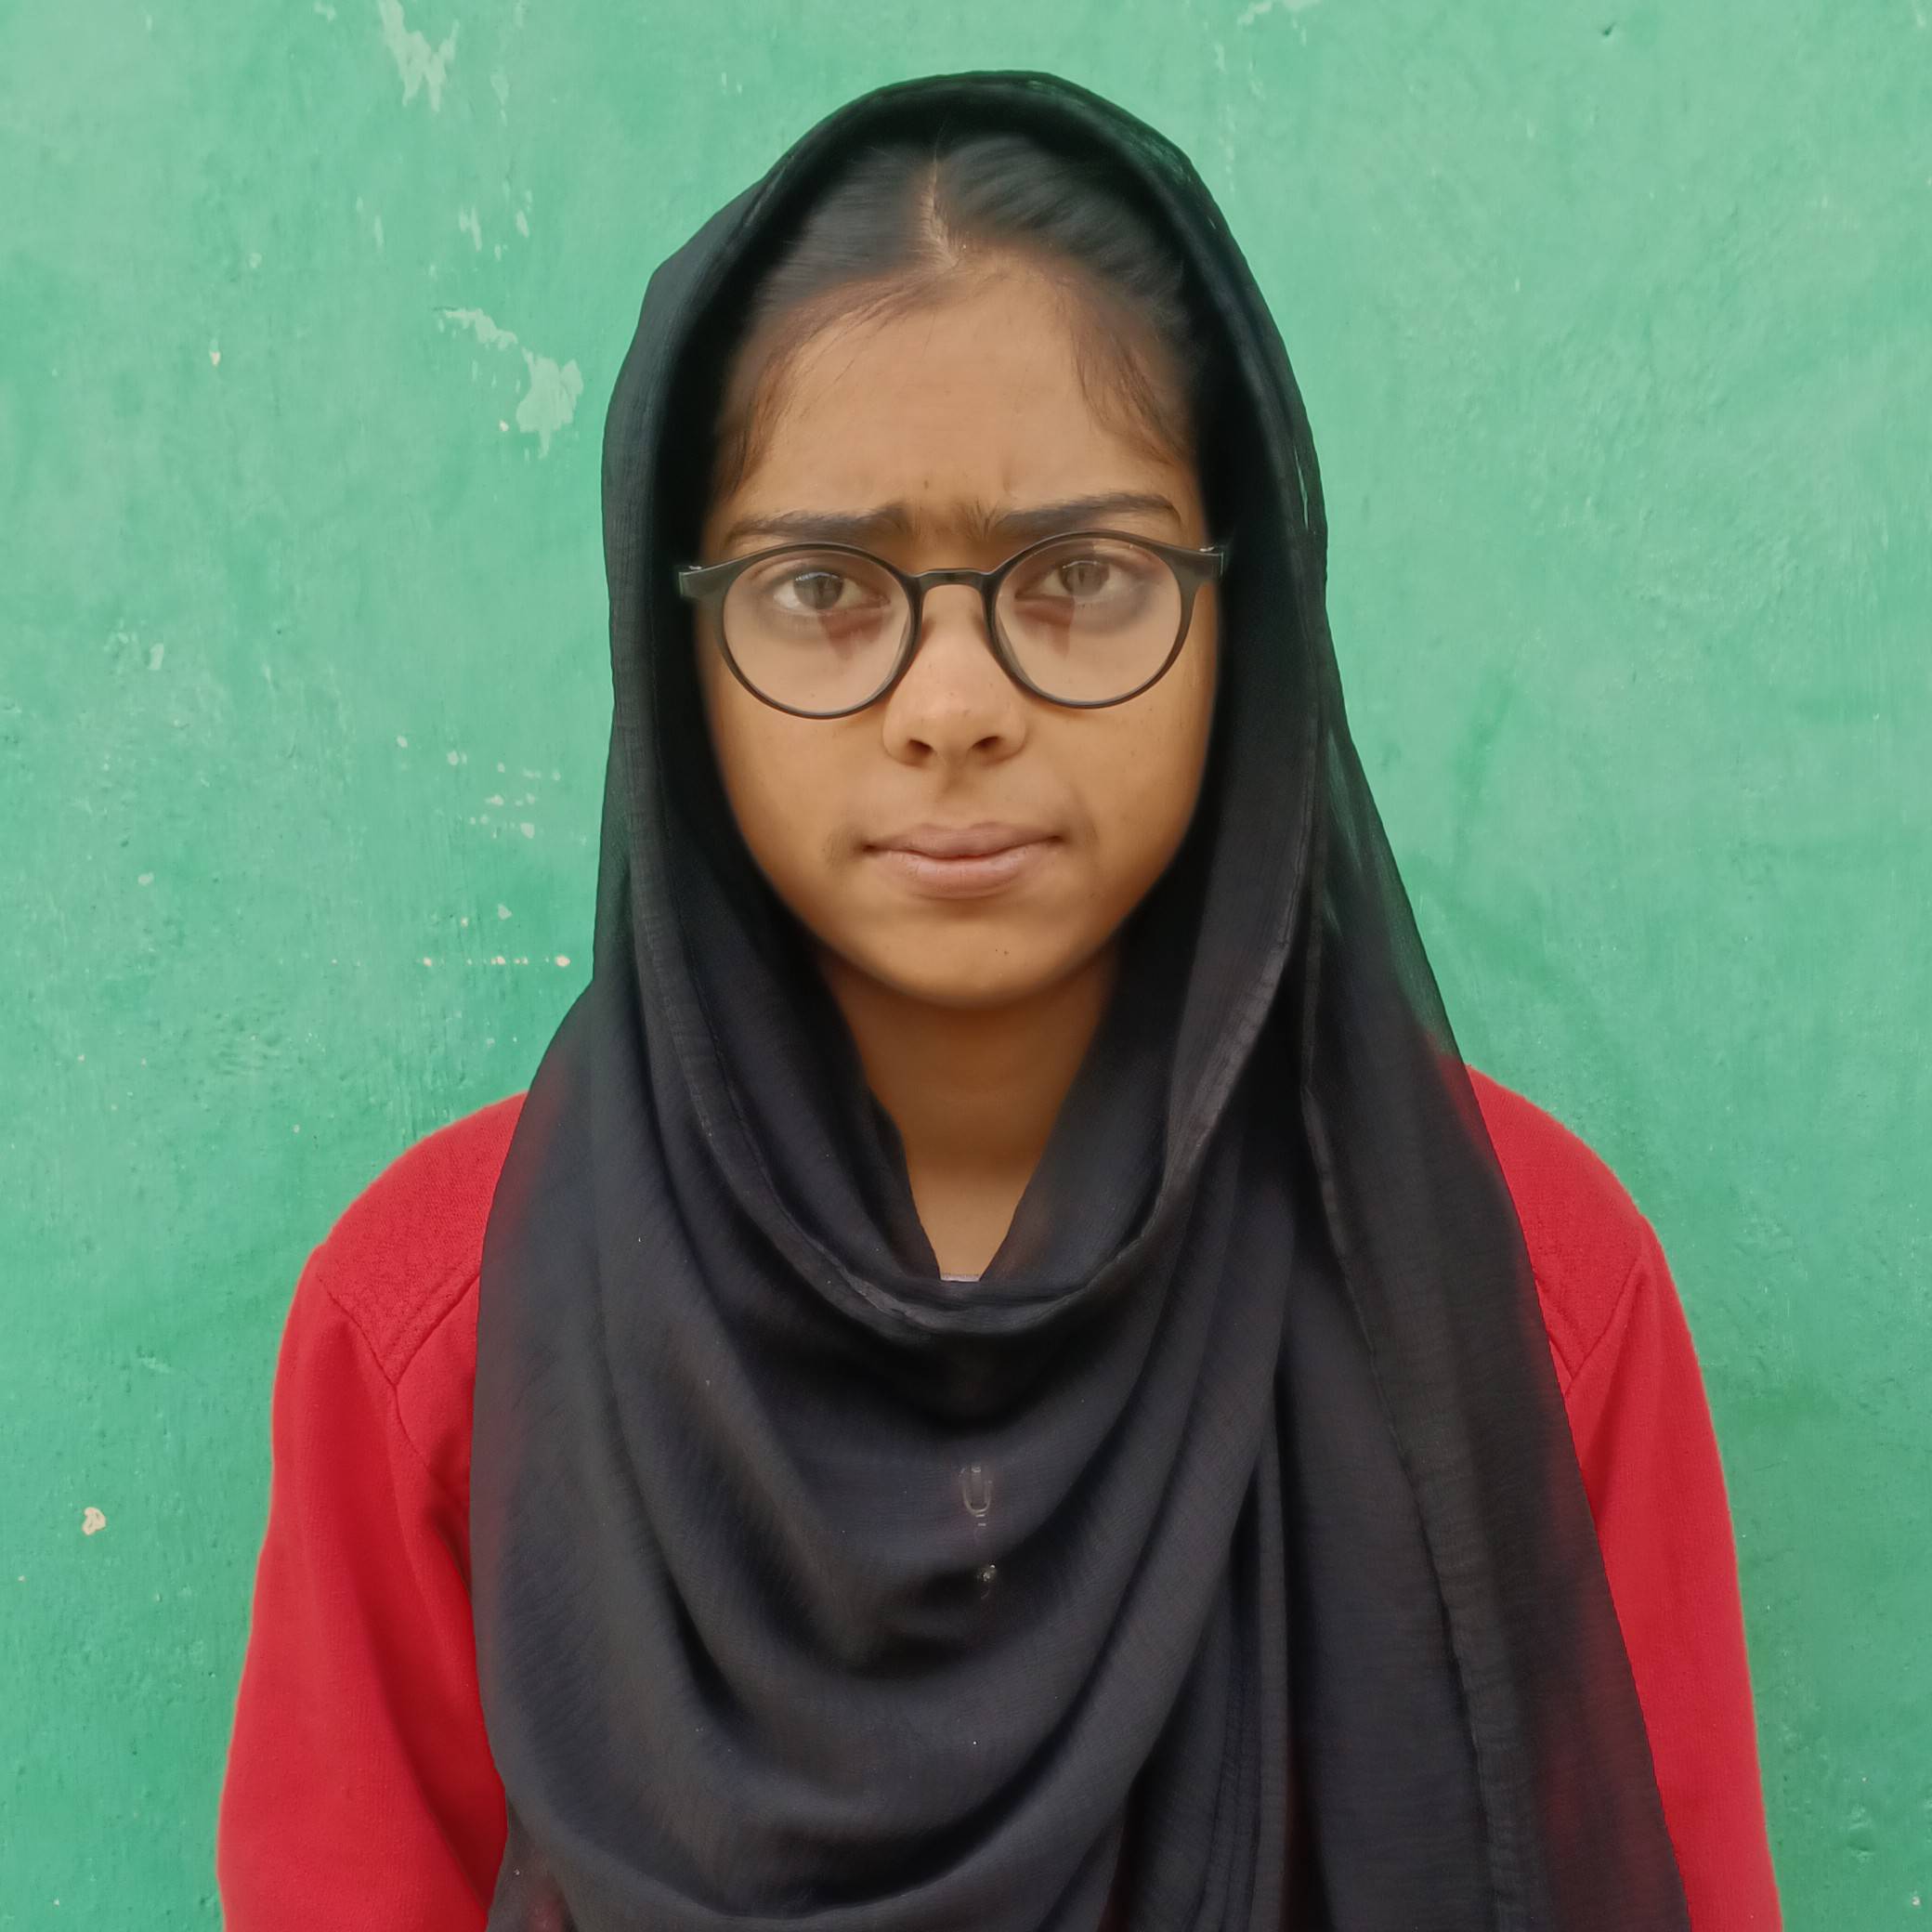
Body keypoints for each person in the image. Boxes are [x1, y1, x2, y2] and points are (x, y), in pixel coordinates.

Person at [216, 69, 1781, 1931]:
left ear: (1240, 617)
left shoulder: (1513, 1288)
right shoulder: (451, 1332)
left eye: (1084, 575)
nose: (951, 702)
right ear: (676, 643)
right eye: (820, 586)